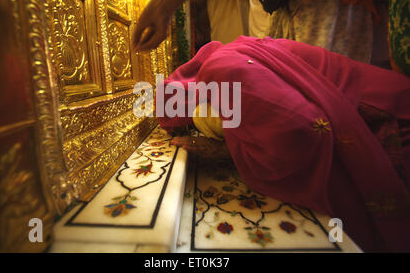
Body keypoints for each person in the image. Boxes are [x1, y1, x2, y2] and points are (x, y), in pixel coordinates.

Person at [160, 36, 410, 252]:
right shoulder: (231, 53)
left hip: (389, 127)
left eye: (191, 122)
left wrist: (226, 152)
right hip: (390, 97)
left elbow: (302, 133)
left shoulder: (219, 71)